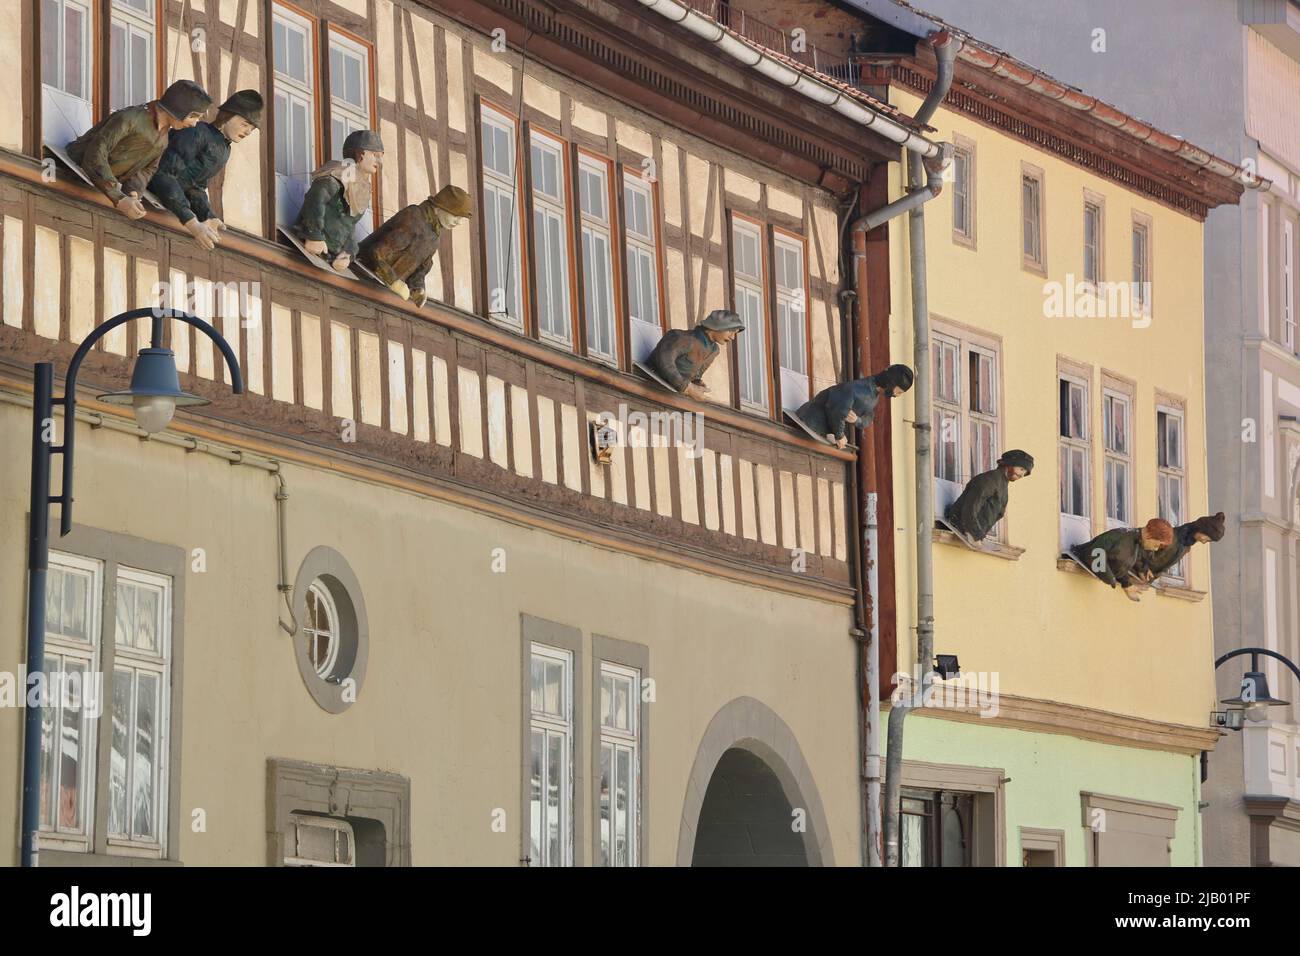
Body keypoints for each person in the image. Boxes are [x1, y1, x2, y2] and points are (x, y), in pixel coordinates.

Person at [66, 79, 212, 221]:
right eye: (194, 116)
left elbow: (147, 169)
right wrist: (119, 197)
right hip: (70, 173)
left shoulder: (163, 138)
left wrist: (132, 193)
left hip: (98, 188)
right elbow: (95, 154)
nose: (194, 124)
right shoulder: (130, 118)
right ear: (180, 109)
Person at [149, 90, 263, 250]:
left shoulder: (224, 149)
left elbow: (195, 185)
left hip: (169, 203)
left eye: (252, 128)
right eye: (245, 124)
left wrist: (207, 215)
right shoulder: (197, 132)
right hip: (150, 195)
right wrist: (190, 220)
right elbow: (164, 174)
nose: (248, 132)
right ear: (227, 116)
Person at [356, 185, 473, 306]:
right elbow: (377, 253)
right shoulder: (414, 218)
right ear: (439, 208)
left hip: (380, 291)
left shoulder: (434, 236)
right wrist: (393, 282)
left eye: (461, 218)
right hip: (360, 275)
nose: (458, 222)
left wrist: (417, 290)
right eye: (455, 216)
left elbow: (420, 270)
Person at [292, 129, 384, 272]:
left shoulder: (361, 189)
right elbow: (316, 199)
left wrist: (348, 252)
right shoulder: (336, 176)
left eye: (381, 156)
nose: (379, 161)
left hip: (330, 260)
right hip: (308, 250)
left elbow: (349, 224)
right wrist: (314, 235)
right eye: (375, 155)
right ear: (359, 154)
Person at [794, 364, 914, 448]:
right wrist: (840, 435)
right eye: (898, 392)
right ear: (891, 383)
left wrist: (858, 420)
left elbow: (869, 417)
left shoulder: (873, 396)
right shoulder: (857, 389)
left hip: (818, 431)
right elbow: (836, 410)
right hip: (810, 422)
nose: (897, 396)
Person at [645, 310, 744, 399]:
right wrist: (687, 388)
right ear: (717, 326)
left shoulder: (714, 350)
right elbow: (664, 363)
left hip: (674, 395)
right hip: (651, 386)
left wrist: (697, 383)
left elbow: (696, 373)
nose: (732, 337)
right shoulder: (681, 338)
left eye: (734, 333)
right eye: (730, 331)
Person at [1071, 517, 1174, 600]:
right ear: (1149, 535)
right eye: (1156, 545)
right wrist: (1110, 578)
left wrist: (1129, 582)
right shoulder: (1121, 536)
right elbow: (1095, 552)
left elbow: (1118, 564)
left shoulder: (1136, 544)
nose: (1155, 549)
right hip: (1075, 570)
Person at [945, 450, 1034, 542]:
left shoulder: (1002, 484)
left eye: (1025, 473)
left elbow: (997, 513)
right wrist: (973, 534)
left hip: (973, 534)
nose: (1022, 475)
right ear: (1009, 464)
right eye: (1021, 469)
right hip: (961, 528)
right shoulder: (990, 479)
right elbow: (972, 505)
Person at [1141, 512, 1225, 579]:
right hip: (1134, 570)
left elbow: (1166, 565)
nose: (1204, 542)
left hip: (1143, 578)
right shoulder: (1171, 536)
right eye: (1206, 538)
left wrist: (1153, 576)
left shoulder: (1186, 547)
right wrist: (1144, 568)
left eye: (1208, 541)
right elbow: (1144, 548)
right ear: (1201, 529)